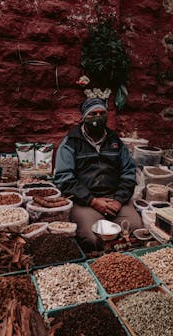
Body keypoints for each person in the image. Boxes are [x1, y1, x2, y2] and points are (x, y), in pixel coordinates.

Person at [54, 97, 143, 252]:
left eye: (101, 113)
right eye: (92, 114)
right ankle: (99, 260)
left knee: (135, 229)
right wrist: (93, 201)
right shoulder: (71, 142)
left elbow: (128, 172)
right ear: (83, 117)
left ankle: (122, 261)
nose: (97, 117)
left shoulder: (115, 141)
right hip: (85, 200)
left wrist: (119, 200)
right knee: (91, 238)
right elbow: (64, 179)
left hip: (114, 197)